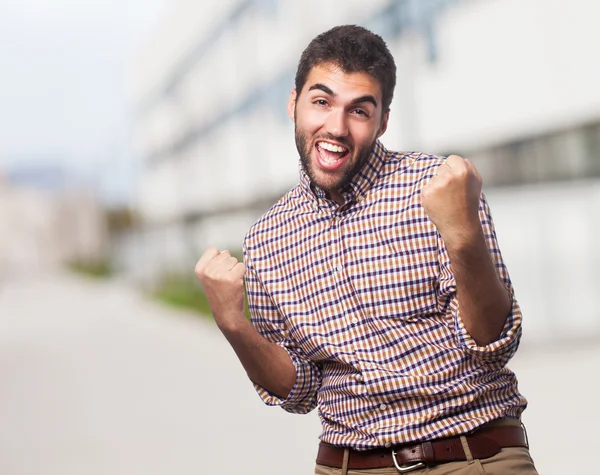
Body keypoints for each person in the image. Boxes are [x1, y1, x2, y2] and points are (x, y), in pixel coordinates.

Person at [195, 25, 537, 475]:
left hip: (473, 454)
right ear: (293, 103)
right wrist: (233, 324)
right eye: (321, 101)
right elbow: (300, 392)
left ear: (383, 121)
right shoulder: (266, 238)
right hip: (347, 466)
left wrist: (463, 234)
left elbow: (493, 345)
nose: (335, 127)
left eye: (359, 110)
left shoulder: (436, 186)